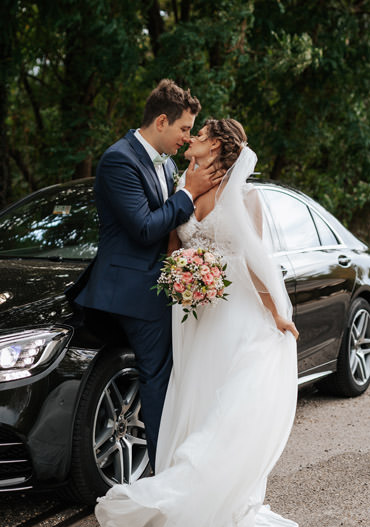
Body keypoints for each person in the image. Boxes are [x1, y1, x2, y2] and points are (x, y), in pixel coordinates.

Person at [94, 118, 300, 527]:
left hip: (239, 315)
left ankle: (204, 497)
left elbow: (254, 260)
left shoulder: (247, 197)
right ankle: (186, 493)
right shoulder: (181, 187)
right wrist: (182, 274)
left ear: (219, 147)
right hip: (197, 318)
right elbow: (170, 245)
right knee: (199, 399)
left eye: (201, 135)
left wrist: (278, 314)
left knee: (231, 408)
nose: (192, 140)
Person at [66, 79, 221, 469]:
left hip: (156, 280)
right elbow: (143, 227)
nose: (187, 139)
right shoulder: (118, 159)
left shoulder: (166, 162)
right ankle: (161, 470)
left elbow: (169, 226)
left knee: (170, 371)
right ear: (162, 121)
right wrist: (187, 193)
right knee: (159, 377)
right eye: (185, 129)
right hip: (132, 288)